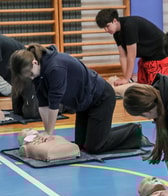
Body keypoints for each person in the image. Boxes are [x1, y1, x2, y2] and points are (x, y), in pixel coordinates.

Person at [10, 44, 144, 154]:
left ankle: (133, 131)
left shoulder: (55, 68)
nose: (31, 78)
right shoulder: (37, 71)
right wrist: (46, 131)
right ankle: (102, 133)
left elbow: (54, 104)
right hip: (83, 104)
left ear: (34, 62)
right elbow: (43, 103)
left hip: (100, 98)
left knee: (94, 147)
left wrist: (49, 132)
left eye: (31, 74)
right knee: (81, 145)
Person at [95, 9, 168, 86]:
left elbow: (131, 56)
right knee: (142, 87)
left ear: (114, 21)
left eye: (107, 26)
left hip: (159, 56)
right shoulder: (116, 33)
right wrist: (126, 78)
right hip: (146, 57)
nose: (106, 30)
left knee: (157, 87)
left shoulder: (129, 26)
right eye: (104, 28)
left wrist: (126, 79)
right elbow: (123, 56)